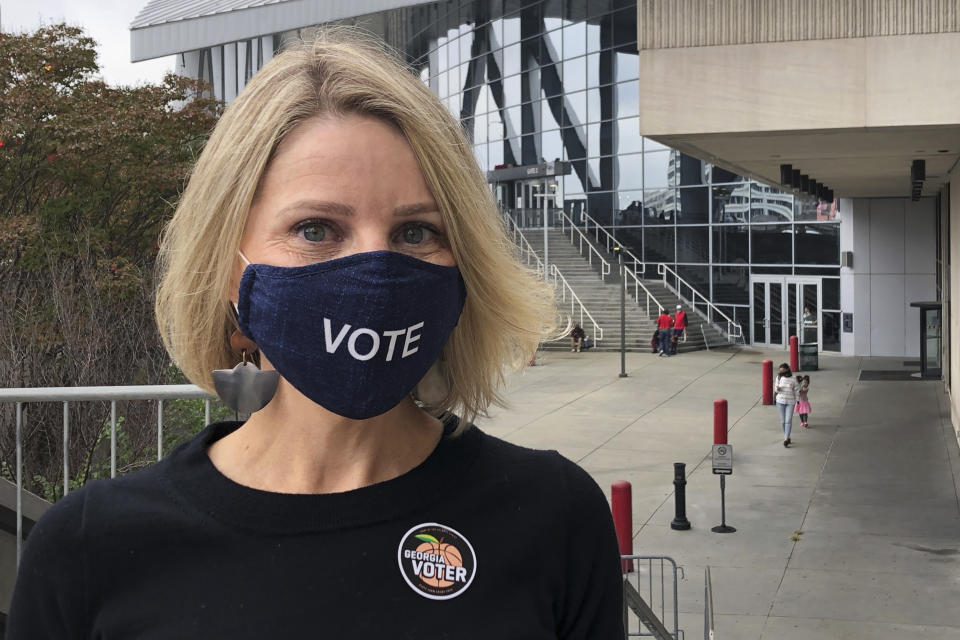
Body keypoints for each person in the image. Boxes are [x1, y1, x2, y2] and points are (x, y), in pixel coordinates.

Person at [8, 31, 625, 639]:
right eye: (315, 229)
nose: (376, 273)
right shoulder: (91, 548)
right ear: (228, 266)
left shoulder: (554, 516)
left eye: (416, 233)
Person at [775, 363, 799, 447]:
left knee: (788, 421)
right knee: (783, 421)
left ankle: (786, 438)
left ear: (787, 369)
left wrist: (798, 400)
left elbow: (797, 390)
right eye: (780, 370)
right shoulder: (778, 377)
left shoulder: (793, 378)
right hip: (780, 401)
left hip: (790, 402)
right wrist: (778, 389)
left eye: (782, 370)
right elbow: (776, 390)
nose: (780, 372)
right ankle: (787, 436)